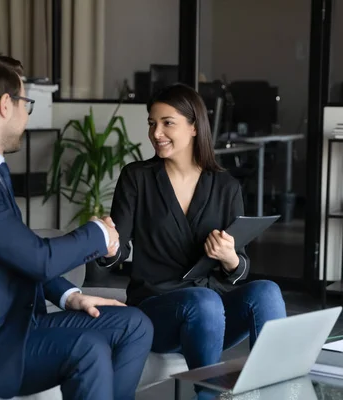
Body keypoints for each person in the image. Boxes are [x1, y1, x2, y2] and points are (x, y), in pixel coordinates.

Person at [0, 52, 153, 400]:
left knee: (134, 325)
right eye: (26, 103)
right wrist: (97, 233)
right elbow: (37, 258)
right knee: (87, 347)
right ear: (5, 105)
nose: (26, 114)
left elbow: (18, 252)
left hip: (11, 327)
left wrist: (71, 296)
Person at [98, 83, 286, 398]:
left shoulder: (226, 186)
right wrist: (109, 248)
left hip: (214, 315)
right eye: (152, 123)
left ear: (194, 127)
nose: (156, 132)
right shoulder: (137, 178)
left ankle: (277, 392)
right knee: (205, 302)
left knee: (267, 291)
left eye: (167, 122)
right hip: (159, 312)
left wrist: (229, 257)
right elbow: (118, 251)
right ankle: (207, 396)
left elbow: (239, 266)